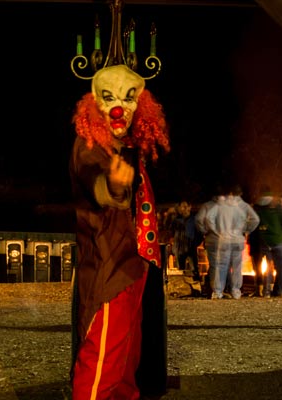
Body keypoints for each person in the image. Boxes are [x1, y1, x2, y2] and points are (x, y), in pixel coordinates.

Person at [69, 64, 170, 399]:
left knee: (127, 356)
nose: (119, 108)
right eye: (109, 98)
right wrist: (112, 184)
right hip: (109, 267)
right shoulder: (89, 146)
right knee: (102, 358)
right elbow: (94, 177)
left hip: (133, 265)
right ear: (94, 104)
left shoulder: (124, 148)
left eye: (128, 99)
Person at [204, 185, 259, 299]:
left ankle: (218, 292)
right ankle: (236, 291)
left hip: (224, 240)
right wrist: (246, 230)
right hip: (238, 240)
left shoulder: (220, 206)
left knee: (221, 266)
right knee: (237, 266)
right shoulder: (242, 207)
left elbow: (208, 218)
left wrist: (216, 230)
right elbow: (256, 219)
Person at [254, 187, 282, 298]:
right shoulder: (278, 209)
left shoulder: (258, 210)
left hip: (266, 242)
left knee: (268, 267)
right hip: (279, 240)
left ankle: (266, 291)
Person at [171, 200, 201, 278]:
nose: (183, 208)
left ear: (189, 207)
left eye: (185, 206)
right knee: (181, 272)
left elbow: (200, 233)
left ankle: (196, 282)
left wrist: (195, 244)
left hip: (191, 249)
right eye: (182, 207)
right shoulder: (176, 220)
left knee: (194, 271)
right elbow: (171, 231)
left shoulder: (194, 220)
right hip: (179, 249)